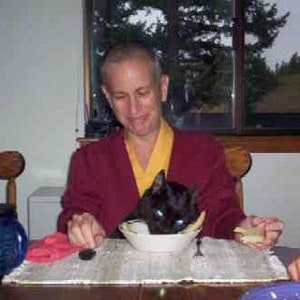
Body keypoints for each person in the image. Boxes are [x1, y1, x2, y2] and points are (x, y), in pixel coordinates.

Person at [57, 41, 284, 250]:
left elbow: (222, 214)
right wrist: (78, 224)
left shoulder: (204, 151)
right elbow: (73, 213)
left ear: (163, 87)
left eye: (142, 93)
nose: (133, 109)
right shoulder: (89, 159)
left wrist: (245, 228)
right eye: (120, 97)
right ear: (107, 97)